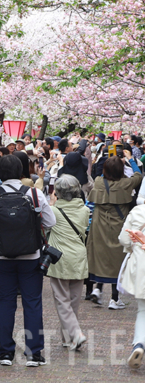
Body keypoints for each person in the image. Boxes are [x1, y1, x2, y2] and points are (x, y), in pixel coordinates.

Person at [0, 154, 55, 367]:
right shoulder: (34, 194)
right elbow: (50, 222)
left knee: (5, 302)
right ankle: (34, 353)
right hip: (31, 256)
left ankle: (5, 352)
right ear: (21, 171)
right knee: (32, 302)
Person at [86, 154, 142, 308]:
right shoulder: (126, 183)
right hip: (118, 225)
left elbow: (99, 171)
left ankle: (98, 289)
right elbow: (138, 175)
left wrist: (107, 159)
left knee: (101, 257)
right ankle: (114, 298)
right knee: (117, 260)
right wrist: (130, 159)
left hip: (99, 225)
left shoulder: (99, 182)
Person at [46, 174, 90, 351]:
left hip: (60, 258)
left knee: (62, 300)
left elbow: (46, 227)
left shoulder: (53, 211)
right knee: (74, 300)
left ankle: (76, 334)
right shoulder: (85, 210)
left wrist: (51, 203)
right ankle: (68, 338)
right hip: (79, 257)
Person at [118, 199, 145, 368]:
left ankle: (139, 344)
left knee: (143, 309)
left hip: (141, 265)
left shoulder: (137, 211)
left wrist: (133, 246)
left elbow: (123, 239)